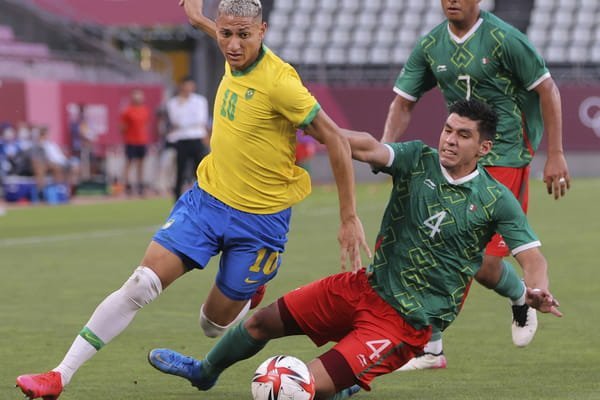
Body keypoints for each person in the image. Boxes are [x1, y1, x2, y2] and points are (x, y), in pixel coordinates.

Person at [15, 0, 370, 399]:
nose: (233, 46)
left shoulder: (281, 83)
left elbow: (335, 138)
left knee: (212, 326)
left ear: (263, 31)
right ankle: (59, 376)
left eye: (244, 35)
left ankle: (251, 291)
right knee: (140, 283)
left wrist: (348, 217)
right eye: (226, 34)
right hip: (208, 202)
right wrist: (199, 20)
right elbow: (221, 34)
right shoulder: (231, 50)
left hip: (262, 222)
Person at [147, 99, 562, 399]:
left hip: (403, 324)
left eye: (463, 135)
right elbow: (365, 146)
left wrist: (536, 288)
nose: (450, 140)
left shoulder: (495, 199)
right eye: (448, 129)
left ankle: (342, 383)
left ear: (484, 148)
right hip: (364, 286)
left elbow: (532, 257)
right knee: (260, 324)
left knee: (302, 387)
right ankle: (204, 372)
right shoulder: (418, 159)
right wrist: (317, 130)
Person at [381, 0, 570, 370]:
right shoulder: (431, 45)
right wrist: (386, 148)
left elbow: (548, 90)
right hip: (459, 157)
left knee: (472, 256)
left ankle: (432, 342)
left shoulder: (504, 39)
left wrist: (556, 152)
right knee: (451, 248)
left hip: (505, 155)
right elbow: (403, 102)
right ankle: (434, 345)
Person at [166, 76, 211, 200]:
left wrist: (184, 122)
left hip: (197, 138)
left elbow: (200, 119)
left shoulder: (200, 101)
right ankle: (176, 200)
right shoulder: (174, 102)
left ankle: (205, 199)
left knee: (200, 172)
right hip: (182, 140)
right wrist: (185, 116)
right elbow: (175, 120)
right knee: (180, 172)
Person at [120, 88, 151, 196]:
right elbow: (122, 127)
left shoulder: (145, 110)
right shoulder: (127, 111)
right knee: (129, 163)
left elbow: (145, 125)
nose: (138, 97)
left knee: (141, 164)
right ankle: (126, 186)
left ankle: (140, 186)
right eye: (136, 95)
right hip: (131, 141)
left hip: (142, 141)